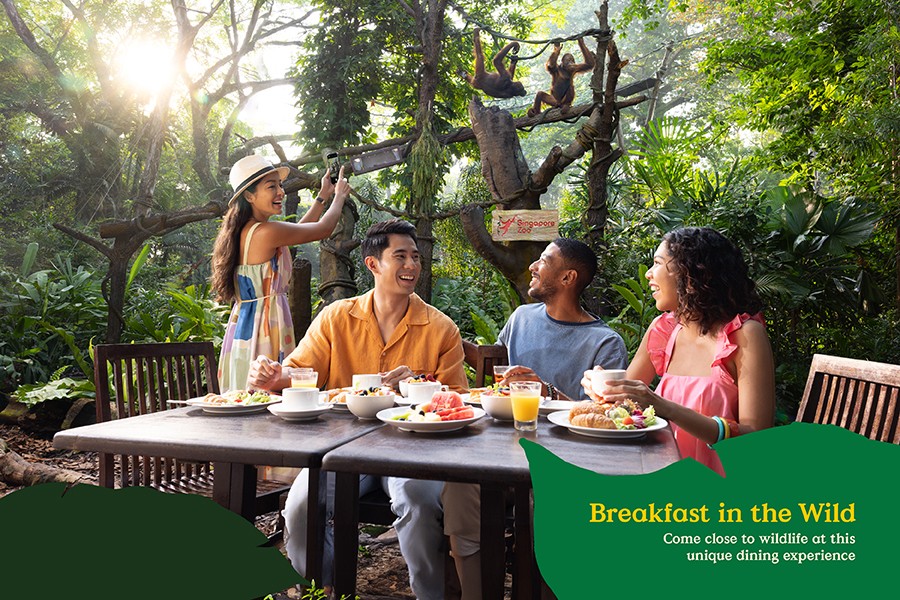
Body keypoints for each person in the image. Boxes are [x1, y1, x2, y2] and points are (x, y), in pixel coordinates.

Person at [247, 218, 467, 600]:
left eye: (416, 257)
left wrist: (419, 384)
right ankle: (322, 587)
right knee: (300, 507)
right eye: (401, 256)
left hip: (414, 451)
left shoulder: (440, 328)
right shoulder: (337, 317)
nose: (412, 265)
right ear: (372, 264)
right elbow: (298, 372)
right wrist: (271, 375)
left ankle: (431, 596)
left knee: (417, 502)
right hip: (342, 450)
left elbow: (459, 400)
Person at [446, 238, 627, 599]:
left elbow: (604, 418)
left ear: (567, 278)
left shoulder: (605, 343)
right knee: (459, 486)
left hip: (562, 461)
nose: (533, 266)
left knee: (547, 504)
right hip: (499, 451)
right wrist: (448, 337)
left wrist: (547, 391)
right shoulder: (521, 318)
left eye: (543, 260)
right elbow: (498, 376)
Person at [582, 227, 776, 476]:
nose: (648, 274)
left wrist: (666, 408)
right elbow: (624, 405)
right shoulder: (663, 330)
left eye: (657, 263)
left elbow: (756, 437)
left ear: (691, 274)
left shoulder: (745, 335)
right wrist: (603, 389)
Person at [212, 154, 348, 391]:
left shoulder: (249, 230)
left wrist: (322, 197)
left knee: (247, 396)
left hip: (246, 325)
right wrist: (339, 197)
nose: (281, 192)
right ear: (249, 196)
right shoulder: (265, 231)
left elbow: (297, 231)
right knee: (268, 390)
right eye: (271, 186)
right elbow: (323, 229)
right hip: (265, 326)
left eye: (280, 185)